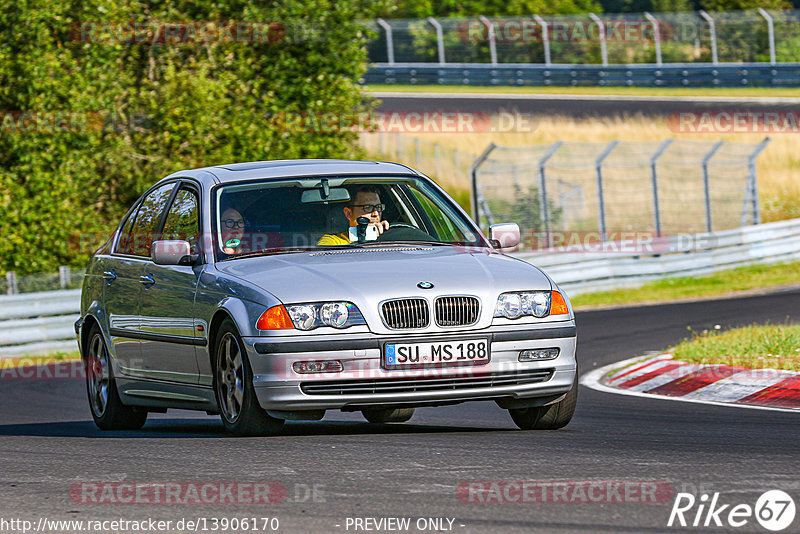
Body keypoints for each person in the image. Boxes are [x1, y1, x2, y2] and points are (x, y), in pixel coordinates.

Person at [317, 185, 390, 246]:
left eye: (378, 207)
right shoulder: (332, 241)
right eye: (367, 207)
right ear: (348, 213)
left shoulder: (388, 237)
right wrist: (366, 238)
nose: (376, 214)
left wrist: (387, 233)